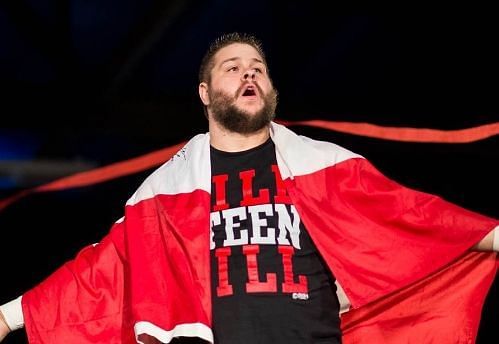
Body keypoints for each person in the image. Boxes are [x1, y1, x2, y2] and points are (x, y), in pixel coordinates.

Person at [0, 32, 497, 344]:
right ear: (204, 92)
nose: (249, 73)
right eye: (233, 68)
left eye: (257, 68)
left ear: (271, 90)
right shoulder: (166, 191)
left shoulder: (324, 166)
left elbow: (416, 219)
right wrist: (8, 316)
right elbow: (102, 270)